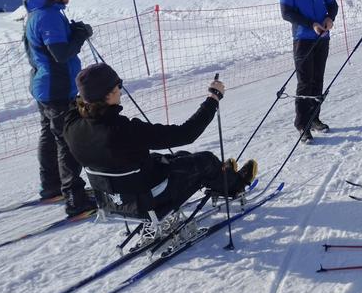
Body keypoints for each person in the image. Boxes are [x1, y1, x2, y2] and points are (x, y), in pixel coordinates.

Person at [63, 63, 257, 215]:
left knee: (180, 157)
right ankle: (235, 185)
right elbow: (186, 133)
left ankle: (222, 175)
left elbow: (75, 105)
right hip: (149, 196)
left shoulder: (71, 125)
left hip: (113, 195)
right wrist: (213, 99)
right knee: (205, 160)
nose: (121, 91)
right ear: (108, 95)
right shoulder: (125, 130)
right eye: (117, 87)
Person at [22, 0, 95, 216]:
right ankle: (75, 200)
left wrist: (74, 33)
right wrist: (80, 35)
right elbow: (61, 54)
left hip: (45, 86)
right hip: (58, 88)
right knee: (68, 141)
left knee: (50, 137)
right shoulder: (48, 15)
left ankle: (52, 186)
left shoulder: (41, 10)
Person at [279, 0, 339, 143]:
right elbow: (287, 13)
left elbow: (332, 4)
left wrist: (330, 18)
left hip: (322, 38)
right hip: (303, 38)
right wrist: (310, 24)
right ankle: (302, 124)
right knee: (305, 82)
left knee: (318, 80)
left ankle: (315, 118)